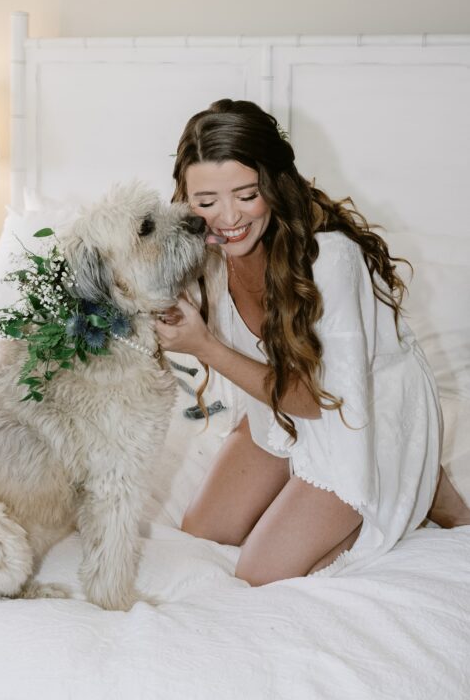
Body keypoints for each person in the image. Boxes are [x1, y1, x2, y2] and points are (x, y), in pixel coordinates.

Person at [154, 99, 470, 586]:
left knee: (262, 573)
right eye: (206, 201)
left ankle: (405, 481)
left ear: (274, 184)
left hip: (353, 413)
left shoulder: (330, 258)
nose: (228, 218)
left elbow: (311, 398)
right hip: (277, 407)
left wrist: (205, 346)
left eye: (246, 194)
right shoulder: (206, 251)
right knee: (203, 532)